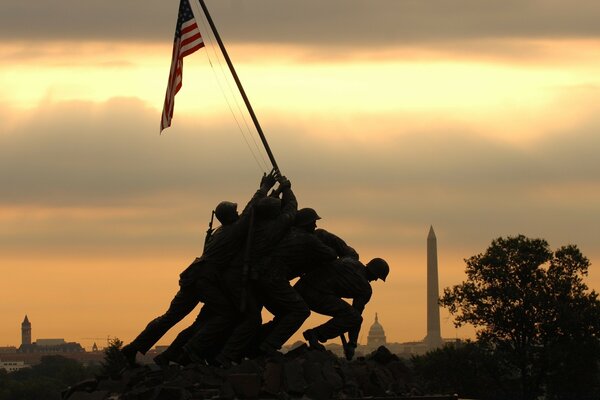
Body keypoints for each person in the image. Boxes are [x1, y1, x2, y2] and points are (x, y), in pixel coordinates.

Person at [120, 172, 277, 366]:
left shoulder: (219, 232)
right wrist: (264, 187)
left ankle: (134, 347)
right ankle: (190, 350)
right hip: (205, 279)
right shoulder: (233, 230)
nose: (238, 214)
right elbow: (250, 210)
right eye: (234, 212)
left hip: (193, 275)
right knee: (227, 313)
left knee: (170, 317)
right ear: (230, 216)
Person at [294, 257, 389, 360]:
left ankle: (314, 335)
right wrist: (352, 344)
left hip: (301, 286)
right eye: (377, 277)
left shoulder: (350, 260)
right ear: (374, 273)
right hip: (316, 294)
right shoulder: (364, 288)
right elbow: (356, 317)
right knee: (354, 317)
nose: (375, 280)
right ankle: (315, 334)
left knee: (349, 315)